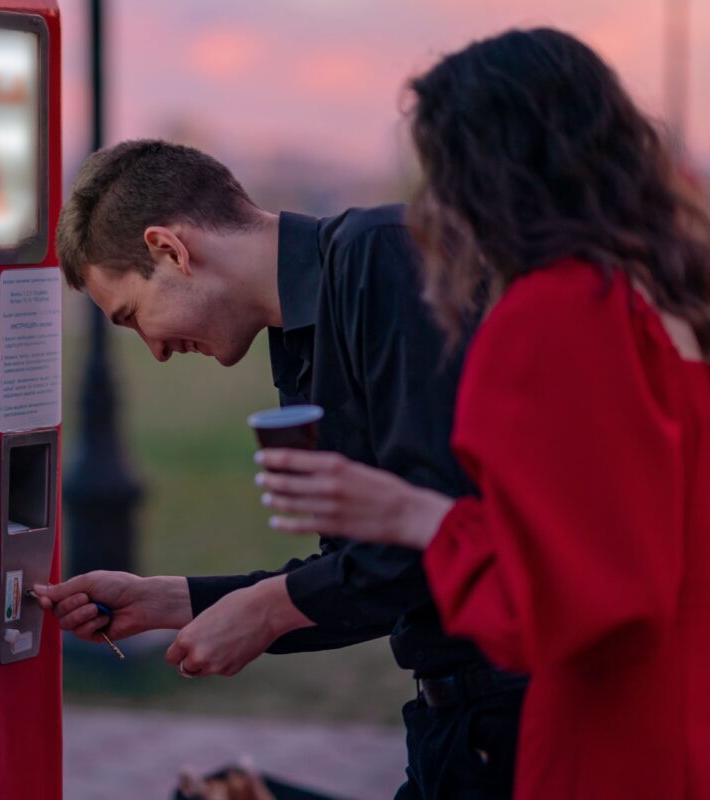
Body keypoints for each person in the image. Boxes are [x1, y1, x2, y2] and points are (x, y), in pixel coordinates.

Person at [251, 28, 710, 799]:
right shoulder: (671, 305)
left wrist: (418, 516)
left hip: (609, 742)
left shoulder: (549, 318)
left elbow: (574, 605)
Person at [36, 139, 524, 798]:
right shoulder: (298, 338)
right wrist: (169, 601)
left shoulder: (384, 257)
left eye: (133, 316)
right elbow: (369, 576)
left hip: (528, 717)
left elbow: (438, 531)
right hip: (453, 730)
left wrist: (270, 610)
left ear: (170, 251)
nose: (153, 351)